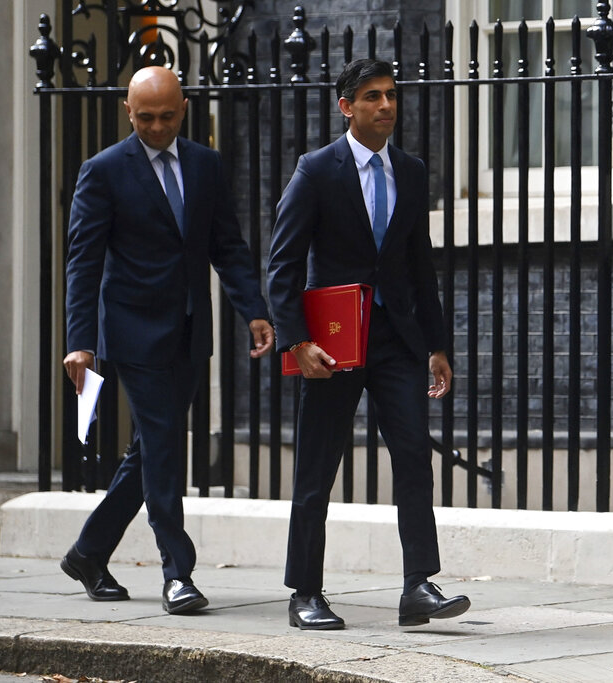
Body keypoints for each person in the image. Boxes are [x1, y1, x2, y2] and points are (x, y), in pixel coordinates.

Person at [61, 66, 274, 615]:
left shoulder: (205, 164)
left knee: (151, 449)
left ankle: (88, 552)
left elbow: (227, 245)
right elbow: (83, 263)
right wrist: (80, 340)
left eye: (167, 115)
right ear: (128, 113)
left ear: (184, 109)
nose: (157, 127)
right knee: (164, 447)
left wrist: (252, 309)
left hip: (188, 330)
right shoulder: (103, 171)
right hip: (133, 333)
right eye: (145, 117)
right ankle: (178, 572)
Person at [267, 58, 469, 630]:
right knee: (317, 467)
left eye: (391, 96)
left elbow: (418, 264)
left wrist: (436, 344)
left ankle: (417, 587)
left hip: (395, 341)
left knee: (412, 457)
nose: (386, 106)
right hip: (333, 346)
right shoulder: (316, 171)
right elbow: (282, 266)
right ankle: (305, 591)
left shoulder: (409, 169)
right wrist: (297, 341)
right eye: (373, 97)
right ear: (346, 107)